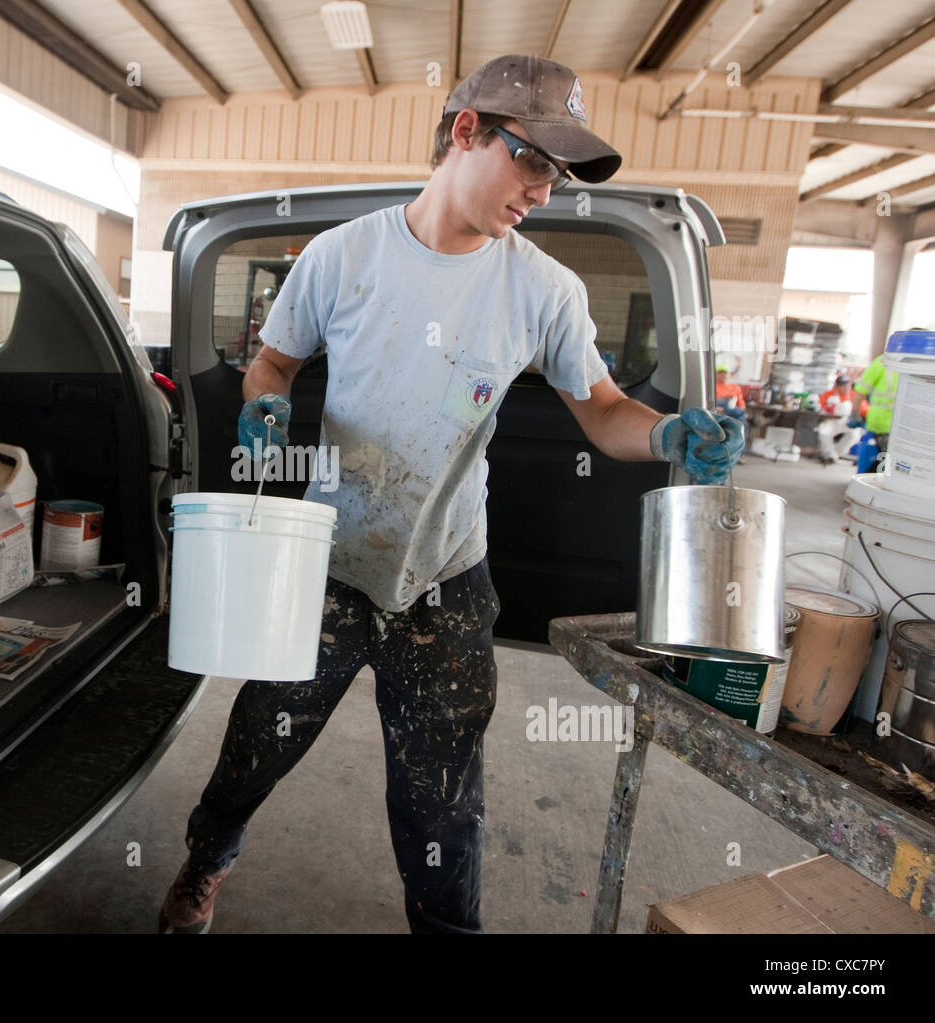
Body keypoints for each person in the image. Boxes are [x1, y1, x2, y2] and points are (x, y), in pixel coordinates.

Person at [158, 54, 745, 935]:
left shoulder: (544, 289)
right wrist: (265, 401)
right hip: (330, 566)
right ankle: (207, 862)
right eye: (534, 161)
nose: (543, 192)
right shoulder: (341, 257)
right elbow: (272, 359)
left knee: (443, 806)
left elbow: (604, 409)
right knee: (255, 744)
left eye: (559, 172)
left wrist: (665, 434)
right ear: (466, 130)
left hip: (447, 580)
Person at [851, 354, 899, 474]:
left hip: (880, 422)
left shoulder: (882, 362)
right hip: (891, 424)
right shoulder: (921, 364)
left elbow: (861, 391)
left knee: (881, 459)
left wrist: (854, 413)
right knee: (886, 461)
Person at [815, 374, 858, 465]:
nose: (847, 388)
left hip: (846, 422)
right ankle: (829, 455)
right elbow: (820, 409)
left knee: (855, 435)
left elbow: (862, 409)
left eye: (848, 385)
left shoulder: (853, 395)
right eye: (844, 386)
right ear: (837, 386)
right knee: (823, 431)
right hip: (831, 421)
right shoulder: (828, 395)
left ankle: (837, 453)